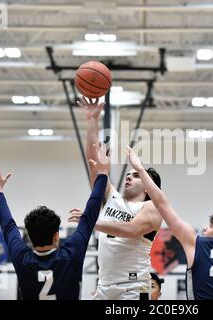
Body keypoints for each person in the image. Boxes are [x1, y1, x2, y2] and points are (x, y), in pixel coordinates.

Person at [125, 146, 213, 300]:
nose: (204, 229)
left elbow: (162, 205)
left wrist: (140, 170)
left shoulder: (199, 243)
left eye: (210, 226)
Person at [0, 143, 110, 300]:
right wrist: (102, 174)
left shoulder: (22, 258)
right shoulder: (70, 253)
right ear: (56, 236)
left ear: (29, 237)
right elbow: (91, 213)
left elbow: (8, 226)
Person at [70, 97, 163, 300]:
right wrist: (92, 120)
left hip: (133, 288)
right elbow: (94, 161)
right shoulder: (112, 197)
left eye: (136, 175)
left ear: (148, 187)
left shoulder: (152, 207)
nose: (129, 176)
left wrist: (91, 221)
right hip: (104, 286)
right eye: (129, 174)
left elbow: (131, 230)